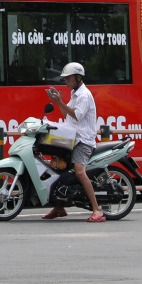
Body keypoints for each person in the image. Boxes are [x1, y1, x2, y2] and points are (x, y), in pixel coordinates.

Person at [42, 62, 104, 222]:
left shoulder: (84, 95)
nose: (66, 82)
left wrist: (61, 103)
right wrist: (58, 102)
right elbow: (67, 116)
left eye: (68, 78)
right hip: (71, 138)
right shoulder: (75, 94)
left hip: (83, 141)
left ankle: (97, 210)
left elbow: (77, 115)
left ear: (78, 77)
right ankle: (59, 207)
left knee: (79, 172)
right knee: (57, 167)